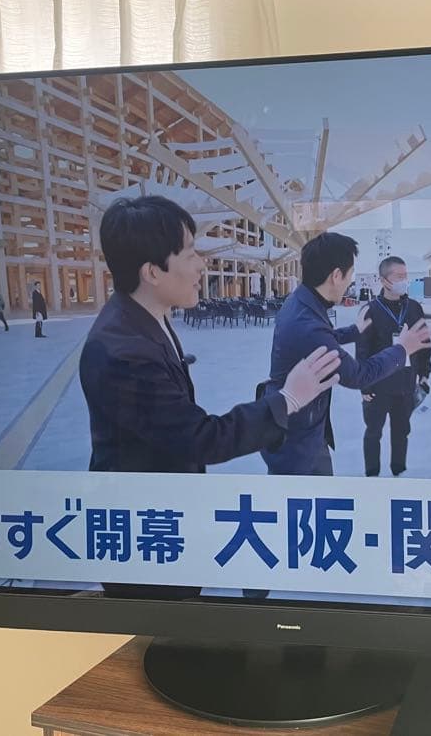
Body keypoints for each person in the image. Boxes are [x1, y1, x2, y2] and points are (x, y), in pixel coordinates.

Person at [79, 196, 342, 600]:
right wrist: (289, 398)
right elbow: (201, 437)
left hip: (164, 513)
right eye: (189, 253)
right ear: (152, 272)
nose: (202, 265)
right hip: (145, 538)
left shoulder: (144, 319)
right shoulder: (124, 352)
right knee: (165, 620)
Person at [260, 232, 431, 476]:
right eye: (350, 275)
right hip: (297, 438)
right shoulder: (308, 322)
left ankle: (397, 469)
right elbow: (357, 375)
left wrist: (353, 331)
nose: (350, 283)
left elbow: (323, 337)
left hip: (300, 423)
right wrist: (402, 349)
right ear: (336, 275)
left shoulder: (300, 302)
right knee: (308, 495)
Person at [357, 256, 431, 476]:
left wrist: (424, 373)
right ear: (383, 280)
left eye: (405, 276)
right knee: (373, 433)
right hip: (378, 386)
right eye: (398, 276)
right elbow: (362, 351)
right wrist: (364, 385)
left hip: (406, 384)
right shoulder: (370, 311)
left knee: (401, 432)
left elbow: (424, 343)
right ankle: (372, 475)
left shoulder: (414, 308)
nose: (404, 281)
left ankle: (398, 472)